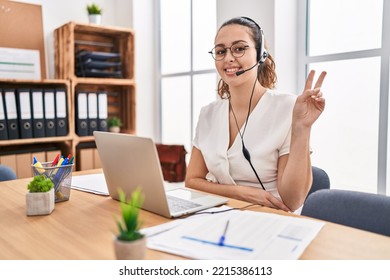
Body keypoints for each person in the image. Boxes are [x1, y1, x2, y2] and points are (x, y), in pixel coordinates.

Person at [185, 17, 327, 212]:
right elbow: (192, 181)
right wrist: (243, 193)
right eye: (220, 51)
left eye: (239, 48)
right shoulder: (208, 114)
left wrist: (303, 127)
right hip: (216, 214)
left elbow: (293, 201)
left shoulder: (288, 107)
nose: (228, 58)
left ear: (261, 55)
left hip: (269, 219)